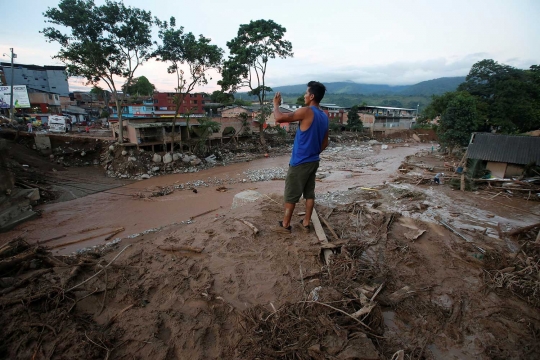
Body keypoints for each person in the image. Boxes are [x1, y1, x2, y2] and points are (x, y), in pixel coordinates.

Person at [271, 81, 329, 234]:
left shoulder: (306, 111)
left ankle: (285, 224)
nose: (304, 96)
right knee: (309, 192)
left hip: (300, 162)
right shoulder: (324, 116)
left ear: (311, 96)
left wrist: (276, 105)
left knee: (291, 194)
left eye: (305, 93)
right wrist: (313, 153)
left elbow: (279, 118)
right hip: (313, 160)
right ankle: (306, 221)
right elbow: (326, 142)